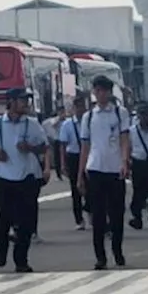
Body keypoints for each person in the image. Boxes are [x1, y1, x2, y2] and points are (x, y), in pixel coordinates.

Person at [0, 88, 51, 273]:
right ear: (10, 102)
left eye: (27, 100)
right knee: (4, 218)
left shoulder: (33, 124)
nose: (26, 104)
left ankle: (21, 260)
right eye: (22, 100)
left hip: (28, 177)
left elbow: (44, 148)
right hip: (4, 176)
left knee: (26, 220)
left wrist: (30, 148)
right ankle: (1, 250)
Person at [78, 75, 132, 270]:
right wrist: (80, 175)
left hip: (115, 168)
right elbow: (85, 145)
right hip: (95, 168)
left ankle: (117, 251)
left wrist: (125, 161)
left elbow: (124, 139)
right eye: (97, 90)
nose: (100, 94)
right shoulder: (89, 116)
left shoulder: (120, 113)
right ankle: (100, 256)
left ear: (109, 92)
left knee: (117, 214)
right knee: (98, 216)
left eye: (103, 90)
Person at [58, 96, 88, 230]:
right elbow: (63, 145)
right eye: (78, 107)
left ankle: (91, 211)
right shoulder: (67, 124)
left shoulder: (89, 122)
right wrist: (63, 164)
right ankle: (79, 219)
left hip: (88, 156)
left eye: (83, 107)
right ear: (74, 109)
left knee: (91, 187)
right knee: (75, 189)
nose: (81, 110)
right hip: (74, 157)